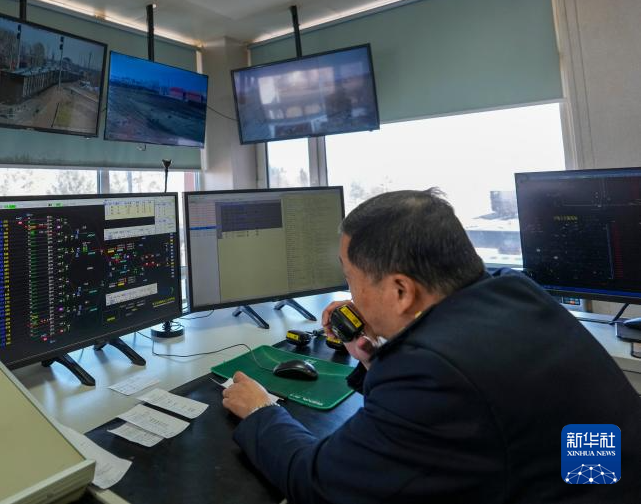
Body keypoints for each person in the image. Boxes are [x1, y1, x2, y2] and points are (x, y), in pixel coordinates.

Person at [222, 189, 641, 503]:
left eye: (351, 280)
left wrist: (262, 412)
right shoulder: (515, 289)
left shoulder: (431, 375)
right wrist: (374, 357)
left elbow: (321, 485)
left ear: (401, 291)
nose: (351, 296)